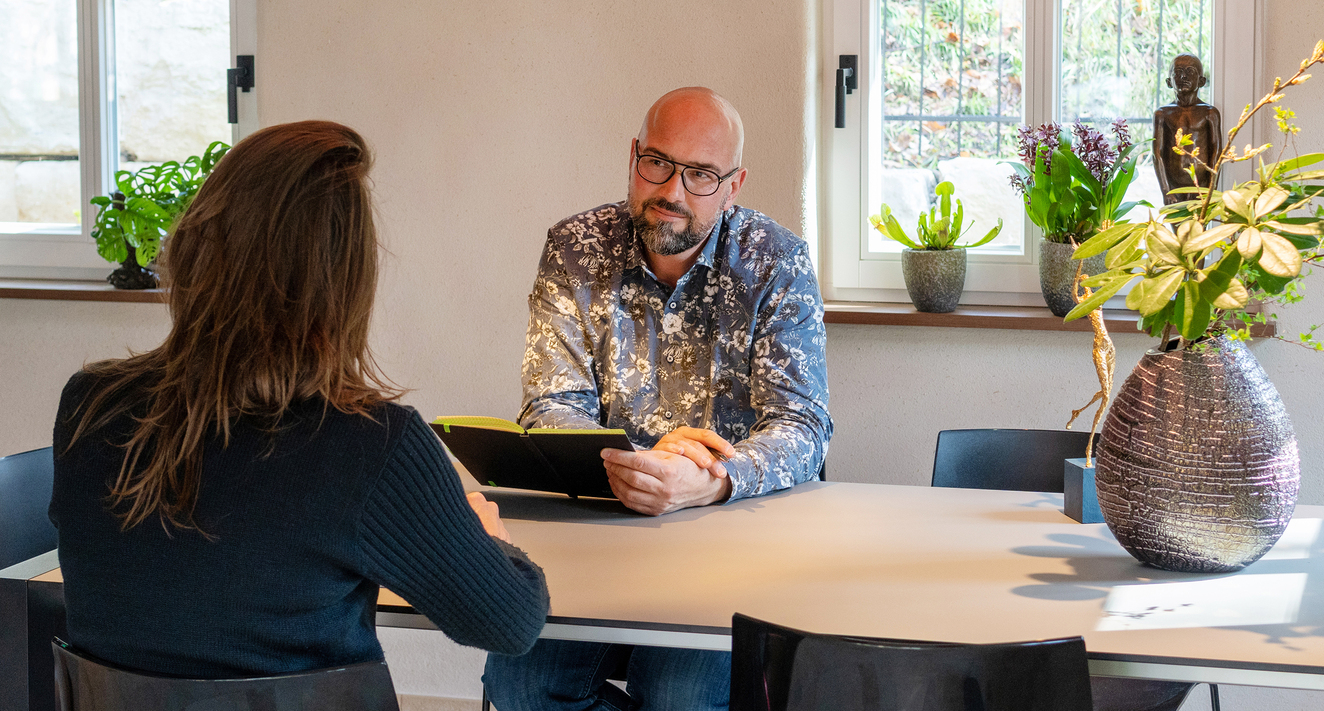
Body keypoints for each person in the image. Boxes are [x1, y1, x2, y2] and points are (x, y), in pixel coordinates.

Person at [49, 120, 550, 678]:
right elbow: (510, 623)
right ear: (344, 286)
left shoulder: (91, 407)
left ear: (195, 247)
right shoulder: (373, 446)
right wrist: (494, 544)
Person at [484, 87, 832, 710]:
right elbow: (551, 405)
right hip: (601, 534)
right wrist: (630, 470)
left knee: (675, 696)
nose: (672, 190)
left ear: (734, 185)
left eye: (701, 174)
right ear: (633, 158)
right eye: (658, 164)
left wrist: (712, 476)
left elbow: (802, 425)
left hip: (732, 540)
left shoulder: (777, 262)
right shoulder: (575, 249)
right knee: (521, 687)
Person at [1152, 53, 1222, 205]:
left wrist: (1212, 189)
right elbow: (1157, 154)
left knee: (1199, 229)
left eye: (1190, 71)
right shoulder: (1163, 114)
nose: (1183, 77)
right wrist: (1165, 190)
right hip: (1174, 188)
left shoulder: (1209, 113)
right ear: (1169, 82)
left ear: (1201, 81)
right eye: (1177, 72)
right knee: (1178, 229)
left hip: (1201, 187)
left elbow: (1216, 152)